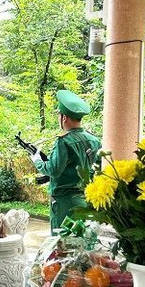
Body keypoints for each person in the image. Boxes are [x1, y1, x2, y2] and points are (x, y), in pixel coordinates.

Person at [29, 90, 101, 231]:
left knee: (62, 243)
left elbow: (54, 170)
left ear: (64, 118)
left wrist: (37, 160)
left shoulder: (64, 141)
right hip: (85, 201)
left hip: (65, 204)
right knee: (81, 241)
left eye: (59, 115)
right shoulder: (94, 140)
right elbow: (98, 168)